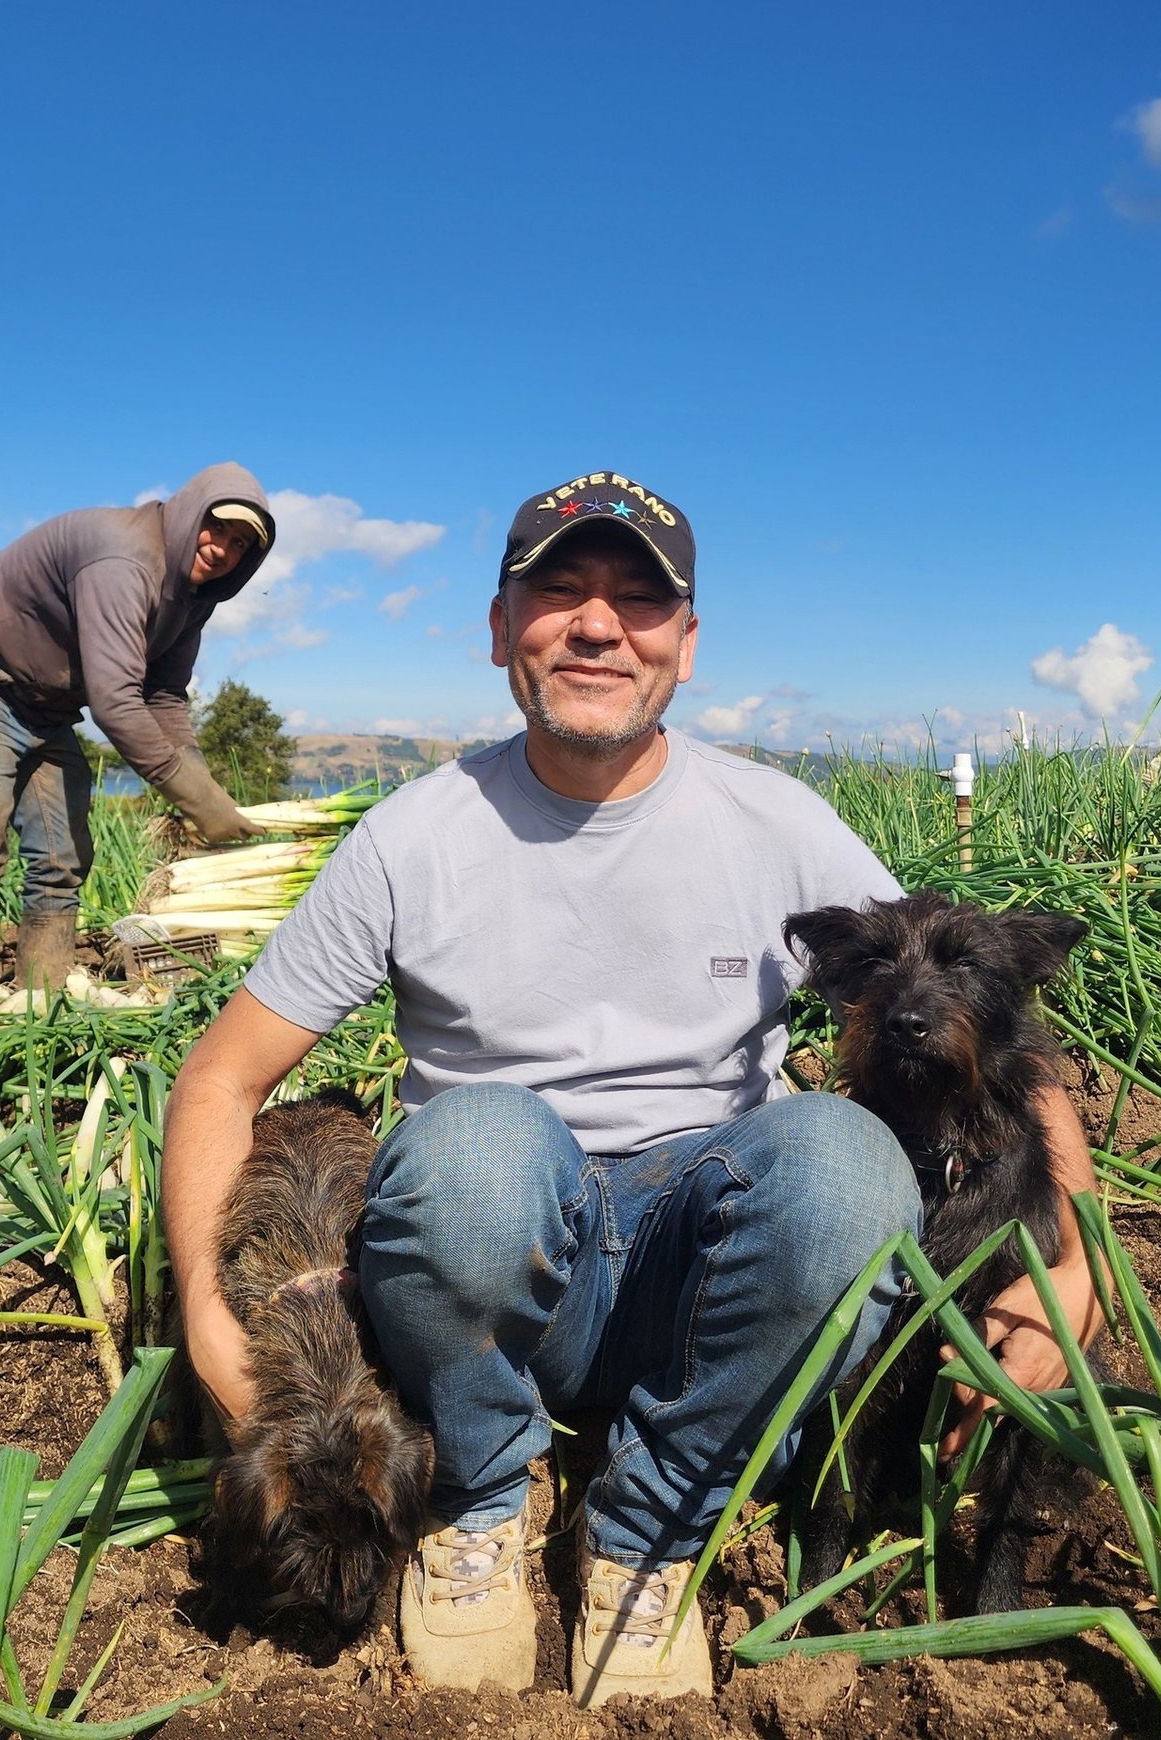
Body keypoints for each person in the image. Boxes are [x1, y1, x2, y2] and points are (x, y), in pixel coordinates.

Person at [163, 476, 1104, 1707]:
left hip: (707, 1282)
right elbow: (220, 1078)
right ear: (502, 630)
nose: (598, 625)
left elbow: (992, 1024)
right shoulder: (413, 837)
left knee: (842, 1160)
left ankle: (652, 1523)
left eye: (638, 600)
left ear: (686, 645)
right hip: (493, 1280)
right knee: (480, 1146)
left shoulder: (778, 823)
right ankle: (479, 1502)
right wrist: (201, 1307)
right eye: (558, 592)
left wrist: (1068, 1264)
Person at [0, 465, 277, 1000]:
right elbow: (116, 702)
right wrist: (197, 802)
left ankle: (44, 999)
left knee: (63, 854)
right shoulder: (125, 558)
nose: (222, 548)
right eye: (217, 527)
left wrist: (211, 794)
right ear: (189, 512)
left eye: (241, 543)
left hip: (46, 701)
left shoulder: (192, 600)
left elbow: (165, 700)